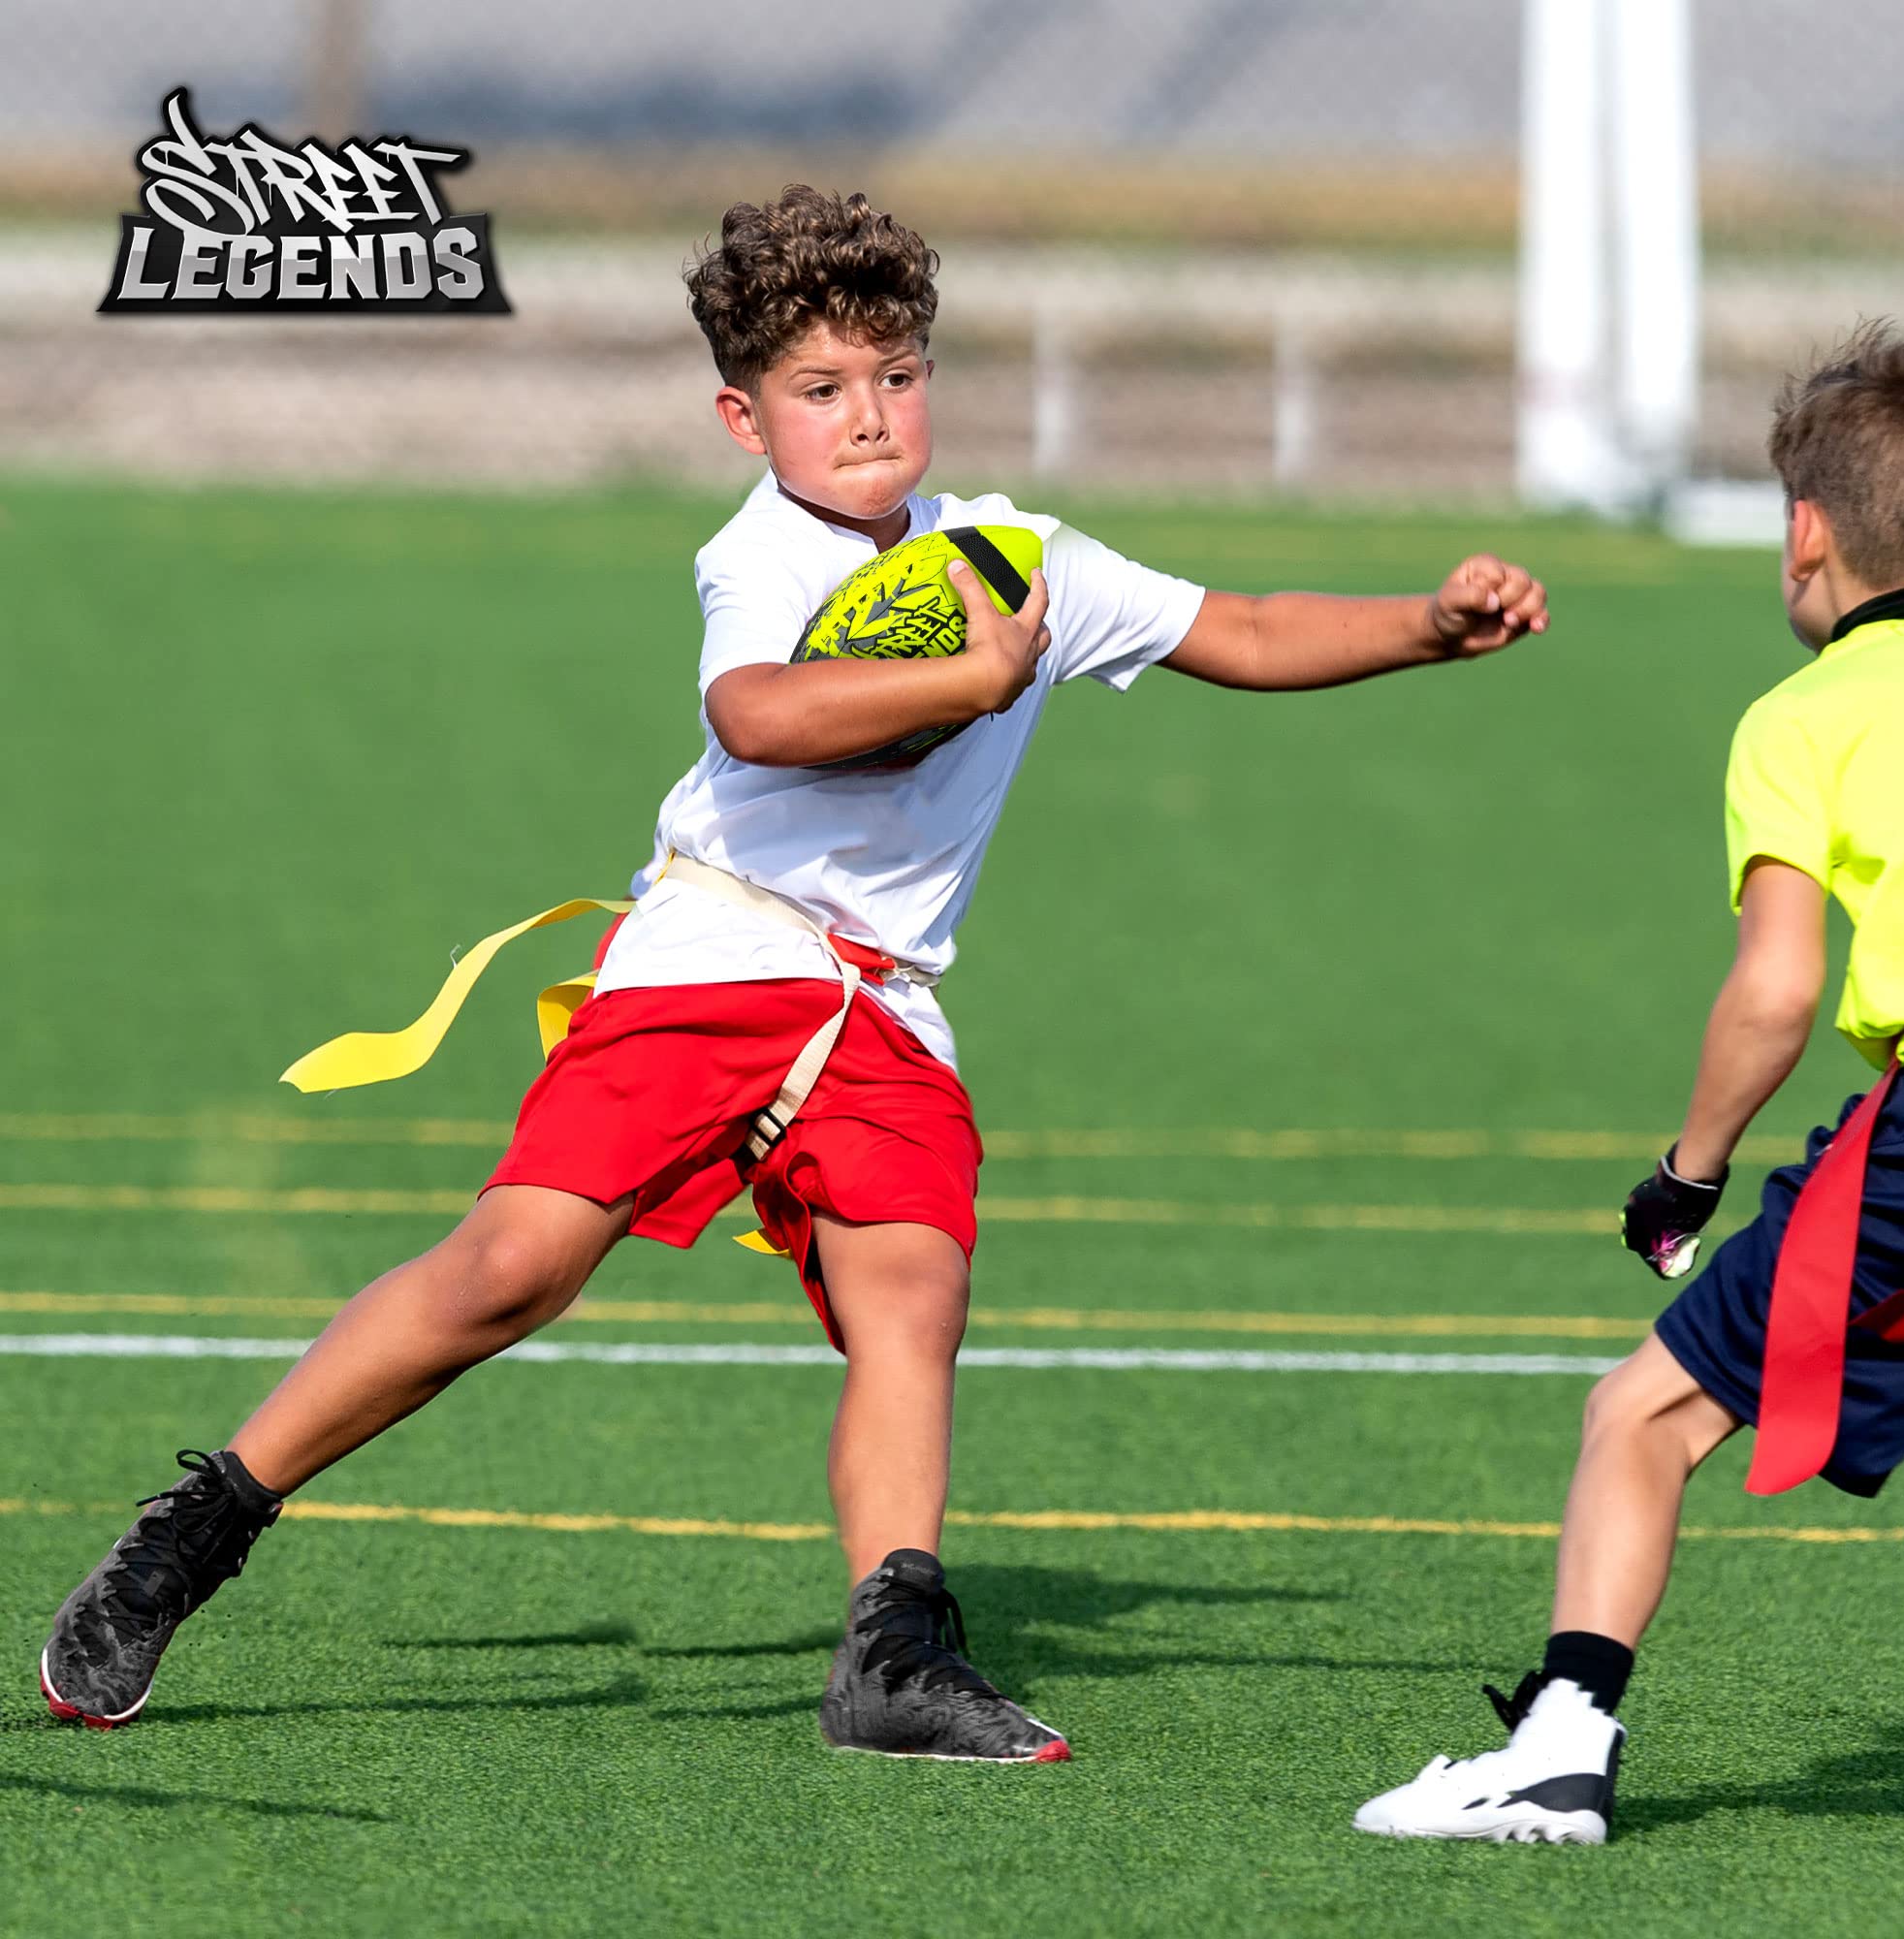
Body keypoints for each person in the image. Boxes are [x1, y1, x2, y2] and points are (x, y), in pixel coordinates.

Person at [41, 185, 1548, 1759]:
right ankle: (191, 1536)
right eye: (820, 389)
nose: (868, 414)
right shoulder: (762, 554)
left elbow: (1239, 626)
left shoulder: (1012, 558)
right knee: (513, 1268)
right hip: (718, 951)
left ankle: (894, 1649)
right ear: (744, 419)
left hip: (880, 998)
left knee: (914, 1290)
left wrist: (1427, 624)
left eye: (896, 375)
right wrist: (968, 680)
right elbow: (756, 715)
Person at [1356, 320, 1904, 1845]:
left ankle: (1559, 1748)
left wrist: (1691, 1168)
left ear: (1806, 536)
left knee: (1644, 1414)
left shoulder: (1807, 717)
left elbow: (1779, 988)